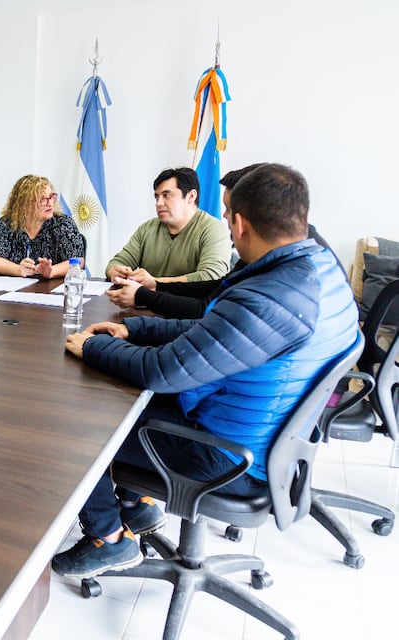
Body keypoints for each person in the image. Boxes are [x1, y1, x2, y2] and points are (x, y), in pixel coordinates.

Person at [52, 163, 359, 580]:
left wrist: (95, 347)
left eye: (228, 215)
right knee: (122, 398)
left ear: (240, 224)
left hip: (227, 459)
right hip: (268, 439)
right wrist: (135, 327)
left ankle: (109, 538)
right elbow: (215, 330)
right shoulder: (319, 270)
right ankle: (135, 507)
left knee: (76, 416)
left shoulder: (269, 297)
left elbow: (163, 372)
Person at [107, 164, 340, 318]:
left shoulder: (281, 280)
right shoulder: (310, 257)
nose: (225, 216)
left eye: (230, 209)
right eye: (156, 197)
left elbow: (206, 305)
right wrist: (152, 287)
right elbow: (216, 290)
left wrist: (147, 291)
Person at [105, 167, 231, 284]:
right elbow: (117, 262)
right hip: (143, 304)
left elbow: (212, 276)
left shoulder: (214, 230)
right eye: (157, 197)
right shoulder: (147, 228)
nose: (159, 203)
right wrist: (115, 271)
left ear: (191, 196)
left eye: (166, 195)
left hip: (187, 306)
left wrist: (156, 283)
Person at [0, 174, 85, 278]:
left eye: (52, 197)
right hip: (14, 290)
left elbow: (78, 260)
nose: (50, 203)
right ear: (25, 203)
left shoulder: (63, 223)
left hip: (53, 289)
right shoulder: (8, 223)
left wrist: (51, 271)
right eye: (43, 199)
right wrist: (18, 270)